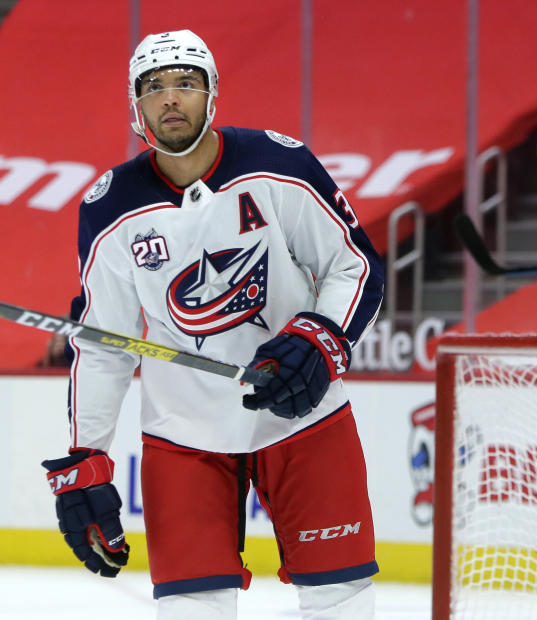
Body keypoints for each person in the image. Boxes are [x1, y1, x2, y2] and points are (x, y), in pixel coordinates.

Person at [40, 30, 385, 620]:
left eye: (186, 83)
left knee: (340, 599)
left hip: (304, 415)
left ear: (212, 94)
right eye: (154, 88)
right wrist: (84, 459)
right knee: (190, 609)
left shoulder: (280, 165)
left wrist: (321, 339)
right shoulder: (108, 208)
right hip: (185, 436)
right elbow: (103, 348)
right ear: (136, 105)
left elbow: (354, 264)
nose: (171, 99)